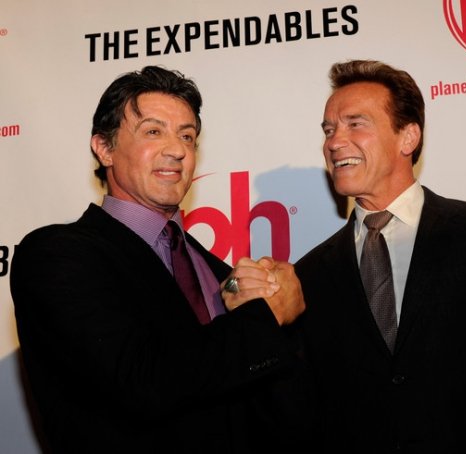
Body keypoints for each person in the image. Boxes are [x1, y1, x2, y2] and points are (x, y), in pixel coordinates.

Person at [10, 66, 310, 453]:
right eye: (153, 131)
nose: (177, 149)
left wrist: (281, 319)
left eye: (187, 136)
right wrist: (267, 316)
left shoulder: (217, 272)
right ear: (104, 148)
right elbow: (141, 381)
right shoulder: (57, 255)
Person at [294, 59, 466, 453]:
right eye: (329, 130)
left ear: (408, 137)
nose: (334, 142)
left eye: (355, 124)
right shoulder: (311, 273)